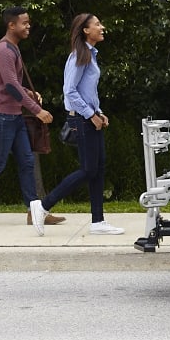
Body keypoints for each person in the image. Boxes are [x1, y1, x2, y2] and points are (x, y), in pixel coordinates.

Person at [0, 7, 61, 234]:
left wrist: (27, 91)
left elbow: (12, 83)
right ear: (11, 25)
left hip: (13, 116)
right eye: (24, 23)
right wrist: (36, 110)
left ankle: (34, 211)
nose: (28, 26)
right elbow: (9, 86)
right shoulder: (5, 50)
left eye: (29, 23)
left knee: (27, 162)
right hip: (2, 117)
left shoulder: (12, 48)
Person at [36, 13, 122, 235]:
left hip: (90, 118)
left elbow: (88, 92)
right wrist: (90, 115)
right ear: (85, 30)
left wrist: (99, 113)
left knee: (98, 169)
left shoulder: (90, 55)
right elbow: (69, 91)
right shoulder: (78, 56)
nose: (102, 27)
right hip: (82, 120)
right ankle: (43, 205)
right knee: (88, 169)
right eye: (97, 24)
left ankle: (98, 222)